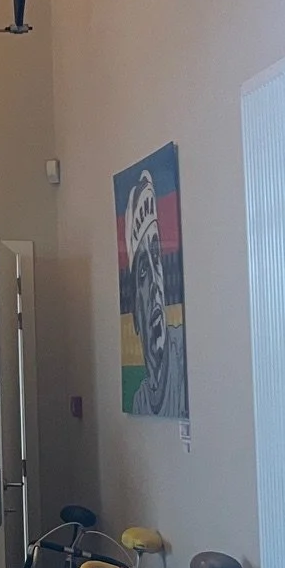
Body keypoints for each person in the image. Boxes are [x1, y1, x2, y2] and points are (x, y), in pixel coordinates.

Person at [123, 167, 186, 419]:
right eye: (142, 272)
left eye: (157, 257)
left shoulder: (182, 353)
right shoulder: (140, 400)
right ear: (134, 311)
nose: (155, 285)